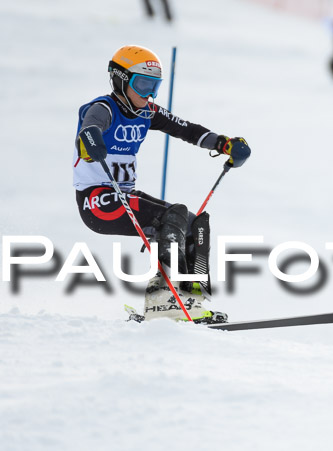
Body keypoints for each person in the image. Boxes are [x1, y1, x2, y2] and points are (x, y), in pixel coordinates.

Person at [73, 45, 251, 324]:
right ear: (120, 80)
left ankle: (192, 301)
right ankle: (165, 301)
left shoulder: (147, 112)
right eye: (143, 84)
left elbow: (186, 129)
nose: (149, 94)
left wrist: (223, 144)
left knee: (194, 225)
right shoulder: (103, 108)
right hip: (97, 200)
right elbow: (90, 126)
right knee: (173, 215)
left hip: (123, 196)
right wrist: (90, 139)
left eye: (154, 86)